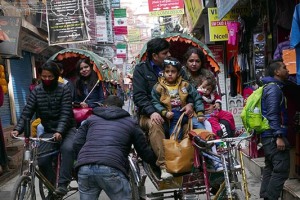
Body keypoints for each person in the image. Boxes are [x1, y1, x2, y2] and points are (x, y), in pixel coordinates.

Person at [10, 61, 77, 197]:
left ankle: (63, 184)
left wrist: (59, 131)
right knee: (42, 160)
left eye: (50, 77)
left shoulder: (64, 89)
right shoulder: (36, 91)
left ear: (56, 76)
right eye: (44, 76)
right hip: (49, 131)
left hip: (67, 129)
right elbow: (27, 112)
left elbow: (66, 113)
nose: (46, 79)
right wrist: (18, 129)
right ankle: (52, 186)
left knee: (67, 149)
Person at [132, 38, 194, 180]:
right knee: (156, 124)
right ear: (155, 56)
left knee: (188, 126)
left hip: (176, 113)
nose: (168, 55)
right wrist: (152, 112)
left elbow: (189, 90)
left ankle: (186, 161)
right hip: (149, 114)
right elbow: (140, 96)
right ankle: (163, 166)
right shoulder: (141, 70)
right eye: (165, 53)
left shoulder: (177, 67)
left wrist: (190, 104)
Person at [73, 95, 156, 200]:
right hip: (111, 167)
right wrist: (157, 161)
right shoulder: (131, 122)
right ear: (121, 107)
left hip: (85, 168)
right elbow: (143, 150)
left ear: (104, 105)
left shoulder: (91, 120)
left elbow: (76, 143)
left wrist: (82, 159)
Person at [259, 59, 290, 200]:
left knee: (270, 168)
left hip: (268, 136)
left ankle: (266, 196)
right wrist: (278, 136)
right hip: (273, 136)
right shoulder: (273, 89)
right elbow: (272, 113)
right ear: (277, 72)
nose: (287, 70)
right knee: (281, 170)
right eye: (284, 67)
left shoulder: (271, 87)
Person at [151, 57, 204, 137]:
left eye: (173, 71)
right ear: (163, 72)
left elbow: (197, 97)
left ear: (178, 73)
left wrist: (200, 113)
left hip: (187, 114)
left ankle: (211, 144)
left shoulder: (185, 84)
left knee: (201, 129)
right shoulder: (158, 87)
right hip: (172, 117)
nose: (170, 74)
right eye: (167, 71)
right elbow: (155, 102)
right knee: (174, 137)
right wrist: (165, 112)